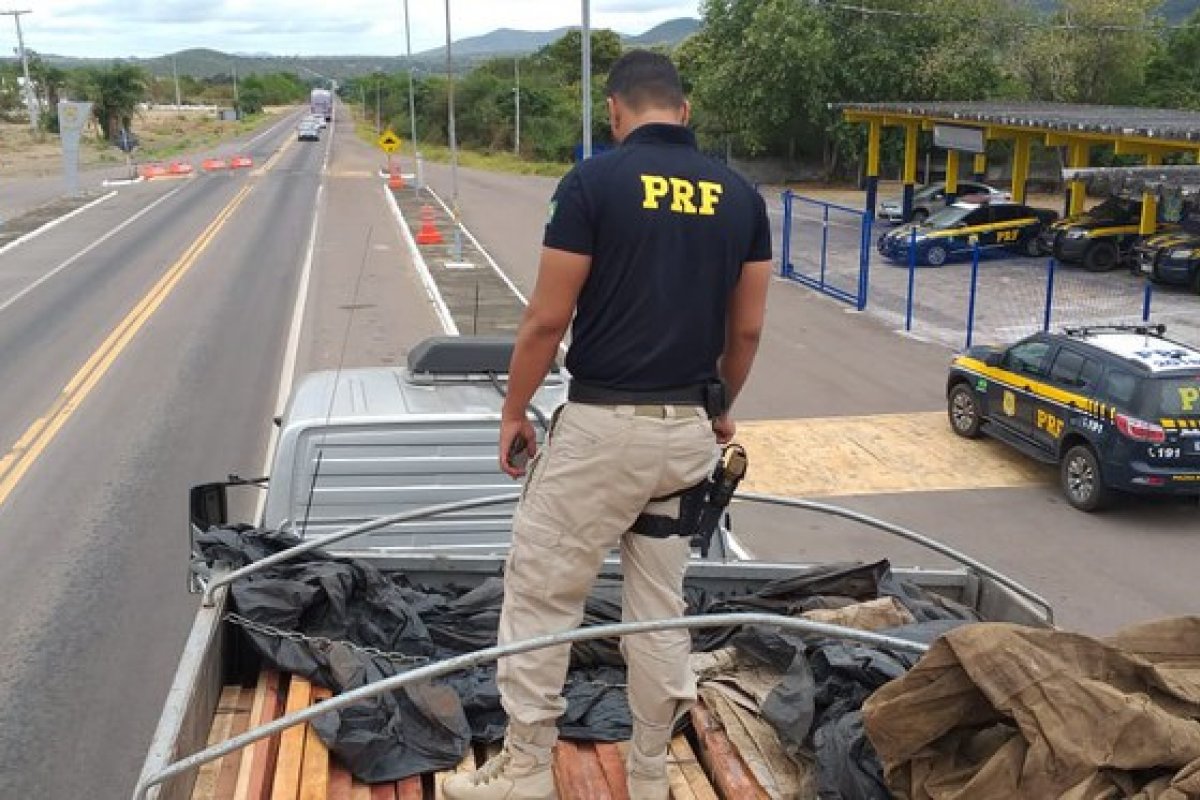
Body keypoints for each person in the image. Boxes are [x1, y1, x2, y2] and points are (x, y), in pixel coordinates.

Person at [444, 49, 772, 800]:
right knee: (659, 612)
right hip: (687, 434)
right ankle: (652, 775)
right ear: (684, 111)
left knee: (540, 589)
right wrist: (720, 408)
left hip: (602, 431)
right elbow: (746, 332)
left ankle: (527, 767)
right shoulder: (741, 197)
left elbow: (547, 319)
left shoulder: (594, 182)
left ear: (616, 112)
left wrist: (513, 411)